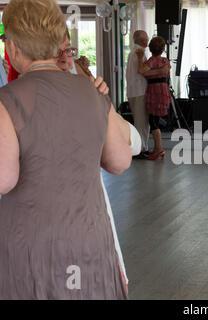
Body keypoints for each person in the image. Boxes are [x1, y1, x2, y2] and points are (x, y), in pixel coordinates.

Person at [0, 0, 131, 299]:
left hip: (32, 242)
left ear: (15, 47)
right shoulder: (92, 91)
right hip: (90, 235)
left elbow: (4, 179)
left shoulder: (7, 100)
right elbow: (120, 161)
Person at [56, 28, 142, 289]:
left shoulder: (83, 99)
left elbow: (134, 143)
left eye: (69, 51)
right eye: (54, 52)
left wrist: (103, 103)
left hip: (87, 223)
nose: (65, 60)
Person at [137, 36, 171, 161]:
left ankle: (159, 148)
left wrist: (140, 58)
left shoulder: (151, 61)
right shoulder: (165, 61)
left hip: (154, 91)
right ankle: (158, 148)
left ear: (151, 48)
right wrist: (159, 71)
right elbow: (164, 72)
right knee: (155, 119)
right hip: (164, 90)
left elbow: (141, 70)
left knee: (153, 121)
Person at [126, 30, 151, 159]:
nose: (148, 40)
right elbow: (143, 71)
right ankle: (141, 149)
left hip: (132, 92)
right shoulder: (139, 53)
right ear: (142, 41)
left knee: (138, 121)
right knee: (142, 123)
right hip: (140, 91)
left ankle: (141, 148)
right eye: (147, 39)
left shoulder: (131, 53)